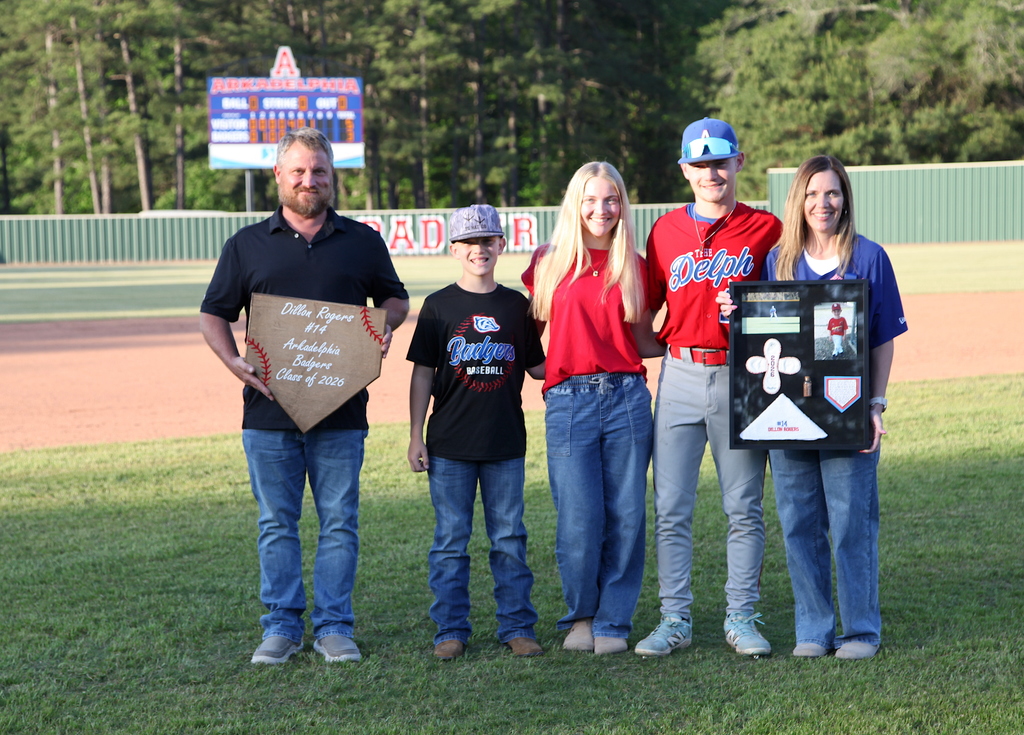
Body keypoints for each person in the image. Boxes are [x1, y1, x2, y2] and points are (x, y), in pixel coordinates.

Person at [199, 127, 410, 665]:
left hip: (342, 410)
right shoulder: (246, 244)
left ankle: (335, 626)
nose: (309, 180)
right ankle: (282, 626)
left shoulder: (361, 239)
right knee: (277, 521)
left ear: (331, 175)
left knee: (339, 519)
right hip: (267, 411)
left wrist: (383, 326)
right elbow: (213, 313)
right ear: (278, 175)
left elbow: (394, 297)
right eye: (298, 170)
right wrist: (232, 361)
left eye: (318, 171)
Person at [722, 154, 907, 660]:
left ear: (845, 198)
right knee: (800, 522)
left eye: (832, 193)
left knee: (851, 522)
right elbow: (762, 330)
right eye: (811, 194)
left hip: (844, 411)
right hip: (787, 409)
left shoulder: (869, 258)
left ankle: (860, 631)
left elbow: (883, 338)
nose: (822, 203)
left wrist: (875, 402)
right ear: (797, 201)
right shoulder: (777, 262)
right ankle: (813, 630)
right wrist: (736, 315)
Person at [636, 118, 783, 658]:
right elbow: (644, 309)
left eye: (720, 161)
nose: (710, 172)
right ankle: (674, 618)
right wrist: (665, 352)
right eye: (699, 164)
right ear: (684, 171)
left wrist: (755, 308)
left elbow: (791, 307)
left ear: (739, 163)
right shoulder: (665, 231)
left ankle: (741, 616)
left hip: (743, 375)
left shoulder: (768, 229)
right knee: (670, 507)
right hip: (677, 375)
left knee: (743, 508)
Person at [522, 161, 660, 655]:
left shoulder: (635, 265)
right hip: (569, 402)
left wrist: (702, 331)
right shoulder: (549, 261)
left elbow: (643, 339)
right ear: (574, 204)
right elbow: (528, 340)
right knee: (578, 517)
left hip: (627, 399)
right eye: (590, 200)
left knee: (626, 514)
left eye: (611, 200)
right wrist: (555, 369)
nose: (601, 210)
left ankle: (614, 621)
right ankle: (581, 616)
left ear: (622, 205)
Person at [407, 204, 546, 661]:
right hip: (449, 443)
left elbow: (539, 366)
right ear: (454, 250)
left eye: (487, 240)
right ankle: (450, 628)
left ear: (502, 245)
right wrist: (415, 434)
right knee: (450, 540)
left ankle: (517, 626)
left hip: (505, 441)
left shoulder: (515, 305)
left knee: (509, 537)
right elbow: (423, 374)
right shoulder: (438, 306)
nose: (479, 249)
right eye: (469, 242)